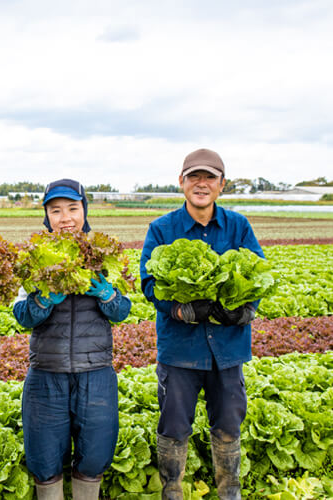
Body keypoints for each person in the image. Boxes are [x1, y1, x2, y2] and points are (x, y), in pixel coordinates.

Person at [140, 149, 263, 500]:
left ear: (222, 185)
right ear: (181, 182)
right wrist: (180, 310)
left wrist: (245, 309)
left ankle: (229, 492)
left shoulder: (238, 226)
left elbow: (258, 273)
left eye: (210, 177)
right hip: (181, 351)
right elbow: (149, 283)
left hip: (228, 349)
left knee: (228, 425)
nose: (201, 184)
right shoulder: (162, 229)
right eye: (194, 176)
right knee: (175, 427)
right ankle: (173, 491)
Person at [12, 178, 131, 500]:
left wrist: (107, 294)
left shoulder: (104, 255)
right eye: (56, 210)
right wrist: (43, 300)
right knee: (44, 456)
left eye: (72, 209)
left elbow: (122, 311)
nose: (65, 218)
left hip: (96, 372)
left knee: (95, 455)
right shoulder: (34, 258)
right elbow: (21, 315)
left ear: (84, 211)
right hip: (46, 373)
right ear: (46, 216)